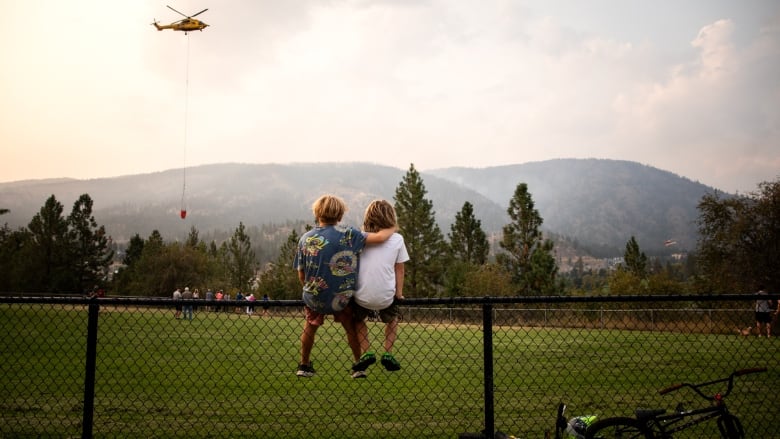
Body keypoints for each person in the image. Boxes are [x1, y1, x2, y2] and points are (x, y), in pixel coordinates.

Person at [293, 194, 394, 378]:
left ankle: (304, 365)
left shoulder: (305, 239)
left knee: (310, 326)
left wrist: (312, 288)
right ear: (340, 215)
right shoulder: (349, 235)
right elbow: (380, 238)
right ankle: (358, 366)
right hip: (341, 297)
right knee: (351, 327)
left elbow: (301, 273)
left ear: (317, 214)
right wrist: (393, 227)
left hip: (315, 295)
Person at [352, 200, 409, 374]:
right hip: (386, 296)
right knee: (392, 319)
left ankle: (367, 351)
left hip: (361, 296)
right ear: (391, 216)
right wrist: (398, 293)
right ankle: (388, 353)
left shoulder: (360, 238)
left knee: (357, 320)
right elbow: (399, 270)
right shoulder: (398, 239)